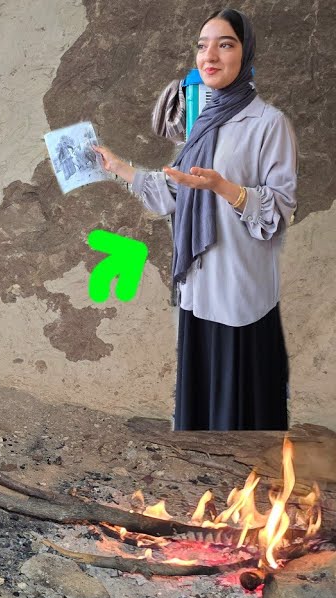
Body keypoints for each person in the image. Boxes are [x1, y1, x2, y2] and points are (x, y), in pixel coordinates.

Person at [94, 8, 297, 431]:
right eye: (203, 45)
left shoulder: (269, 124)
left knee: (243, 416)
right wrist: (119, 167)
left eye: (225, 44)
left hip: (242, 289)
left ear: (246, 54)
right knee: (200, 416)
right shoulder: (201, 122)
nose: (211, 55)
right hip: (200, 284)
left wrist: (226, 188)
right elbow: (177, 191)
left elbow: (278, 210)